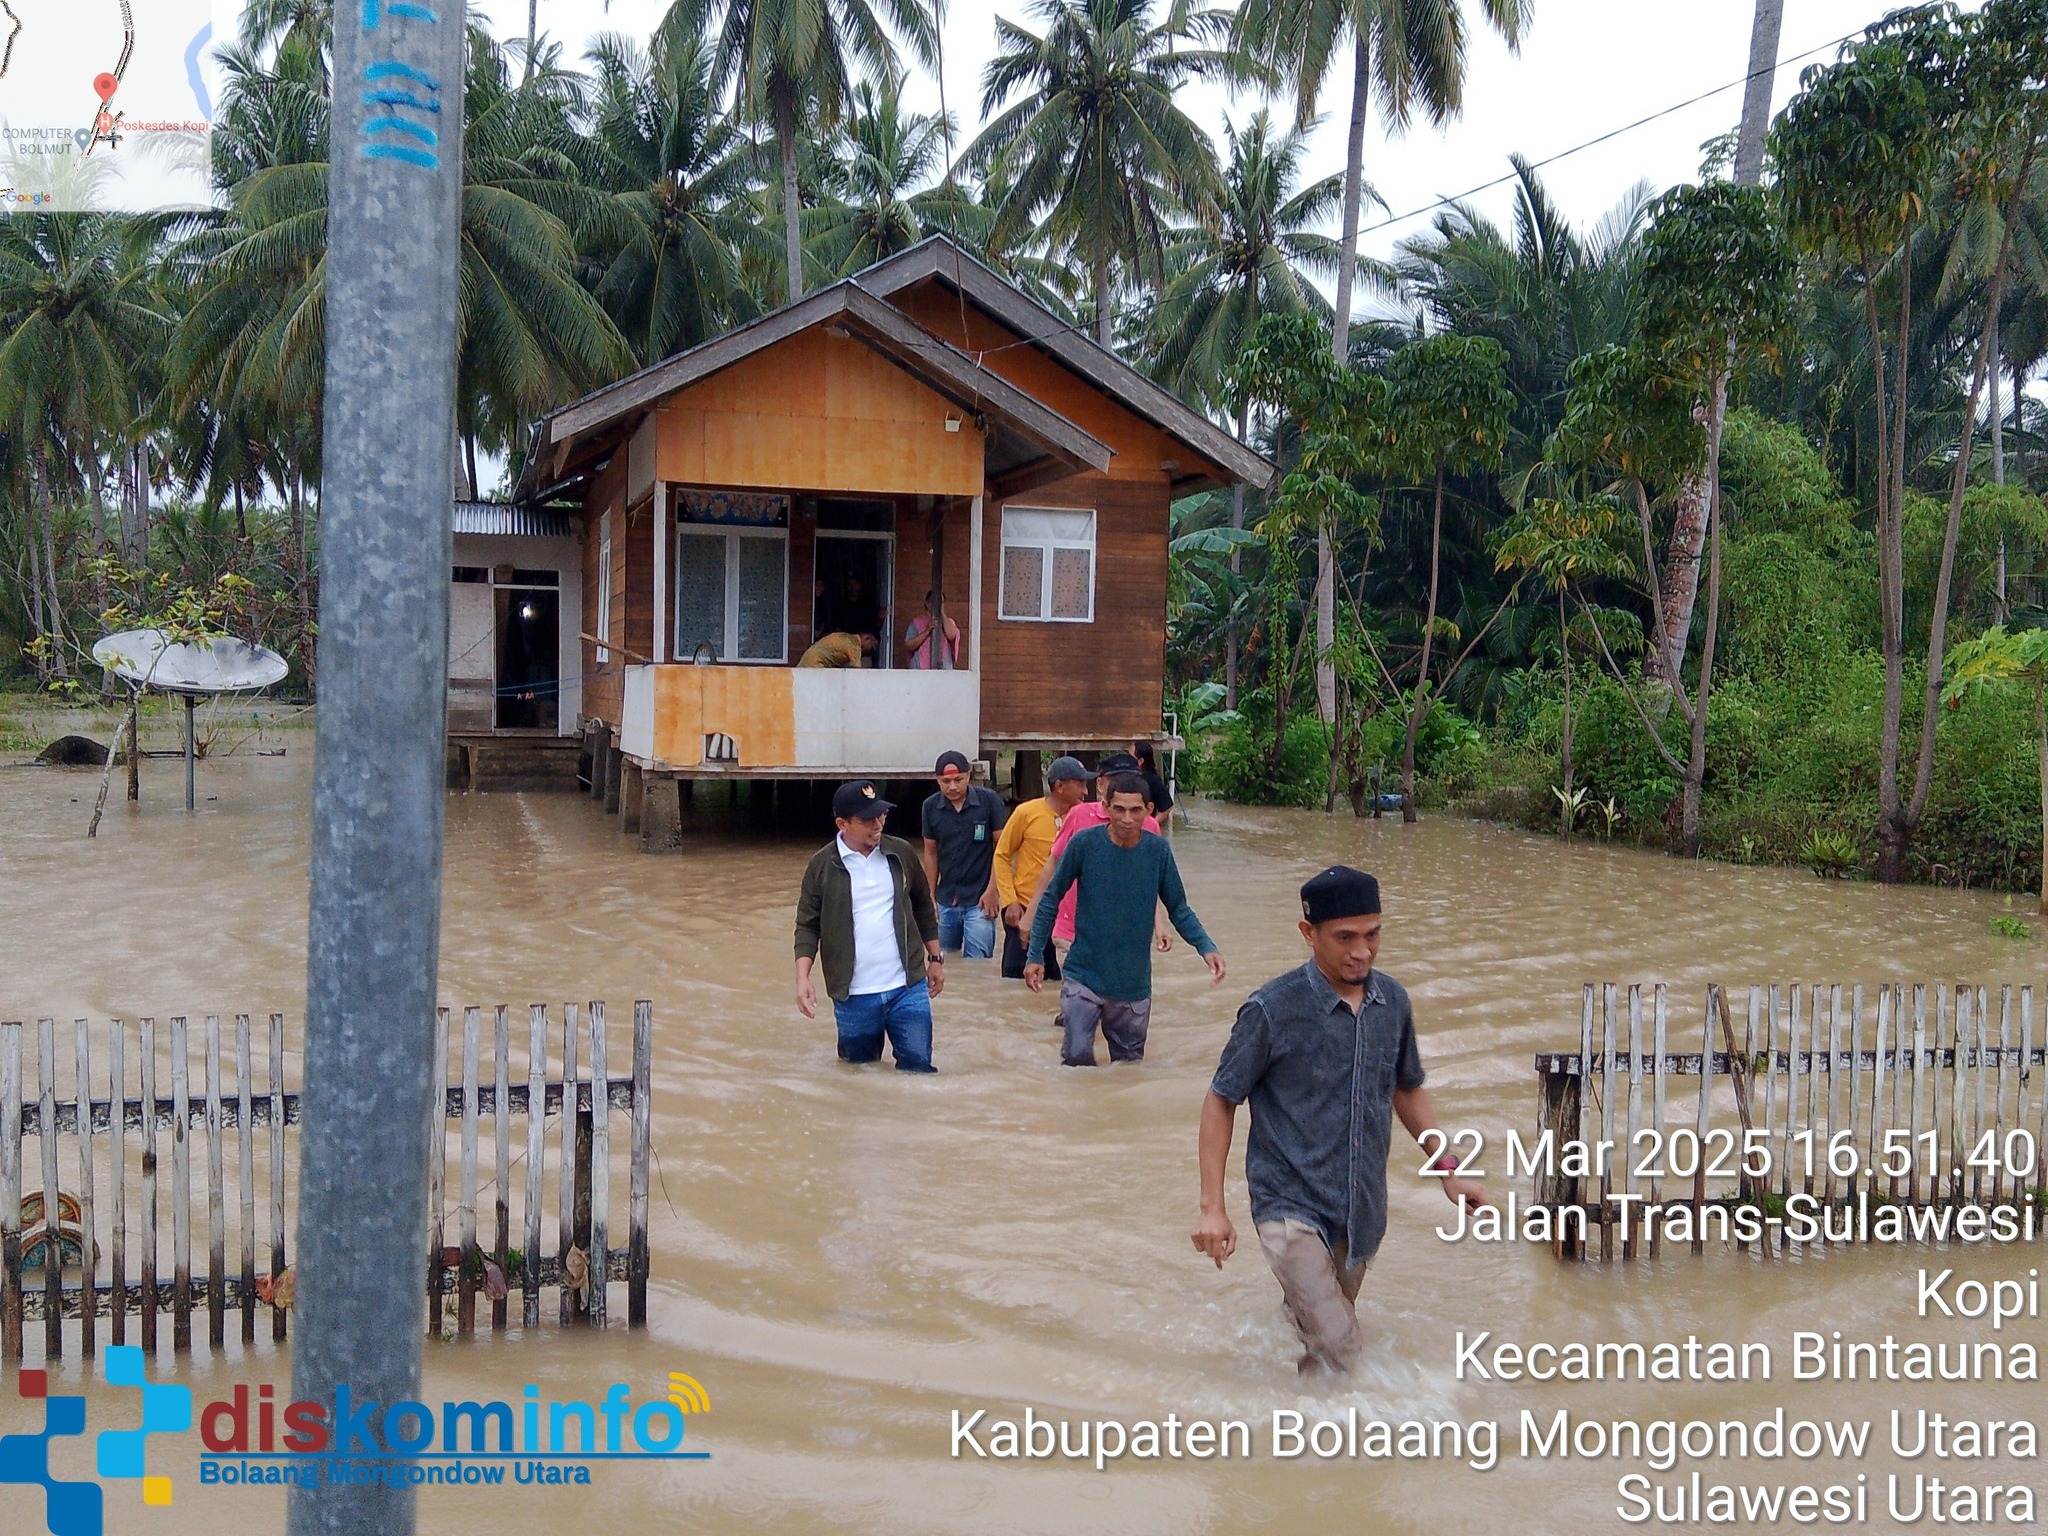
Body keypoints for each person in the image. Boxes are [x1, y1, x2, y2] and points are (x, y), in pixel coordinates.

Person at [1191, 867, 1486, 1375]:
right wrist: (1212, 1208)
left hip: (1360, 1209)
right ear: (1309, 934)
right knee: (1342, 1347)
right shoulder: (1270, 1010)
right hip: (1288, 1204)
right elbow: (1221, 1100)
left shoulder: (1392, 1002)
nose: (1362, 952)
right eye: (1344, 937)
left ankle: (1297, 1423)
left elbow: (1407, 1088)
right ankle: (1356, 1444)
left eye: (1372, 935)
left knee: (1321, 1339)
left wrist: (1450, 1170)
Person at [1024, 772, 1224, 1066]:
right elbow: (1050, 899)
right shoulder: (1083, 845)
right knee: (1077, 1058)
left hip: (1132, 986)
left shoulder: (1158, 852)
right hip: (1083, 977)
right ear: (1105, 808)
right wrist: (1035, 956)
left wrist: (1206, 948)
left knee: (1127, 1070)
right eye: (1119, 809)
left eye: (1135, 810)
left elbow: (1179, 909)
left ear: (1149, 810)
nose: (1127, 818)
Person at [793, 780, 944, 1073]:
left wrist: (935, 958)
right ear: (842, 823)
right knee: (859, 1076)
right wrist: (803, 978)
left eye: (881, 815)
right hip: (854, 996)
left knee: (919, 1068)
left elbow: (923, 906)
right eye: (867, 819)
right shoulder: (822, 865)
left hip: (907, 987)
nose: (877, 824)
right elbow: (807, 926)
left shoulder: (899, 853)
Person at [1040, 753, 1164, 960]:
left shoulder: (1149, 826)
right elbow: (1053, 864)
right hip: (1072, 932)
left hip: (1128, 935)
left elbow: (1151, 884)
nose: (1124, 787)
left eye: (1131, 780)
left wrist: (1159, 925)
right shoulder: (1079, 815)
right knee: (1077, 989)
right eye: (1116, 780)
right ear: (1100, 784)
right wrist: (1032, 916)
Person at [994, 755, 1091, 980]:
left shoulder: (1085, 818)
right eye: (1080, 784)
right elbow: (1002, 855)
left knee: (1062, 981)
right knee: (1016, 979)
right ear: (1059, 786)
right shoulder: (1026, 813)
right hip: (1026, 910)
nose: (1086, 792)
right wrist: (1010, 901)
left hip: (1067, 917)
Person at [921, 750, 1007, 960]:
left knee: (977, 965)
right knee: (941, 962)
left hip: (980, 900)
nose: (952, 786)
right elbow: (930, 854)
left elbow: (1002, 850)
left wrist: (993, 891)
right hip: (945, 900)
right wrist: (929, 898)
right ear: (937, 780)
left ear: (969, 775)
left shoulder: (990, 802)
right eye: (946, 781)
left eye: (958, 780)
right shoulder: (930, 807)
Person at [905, 591, 960, 670]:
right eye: (933, 601)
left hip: (943, 668)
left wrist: (942, 613)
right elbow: (909, 645)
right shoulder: (917, 622)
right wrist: (927, 630)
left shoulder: (948, 622)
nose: (937, 604)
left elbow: (951, 635)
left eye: (941, 602)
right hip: (920, 668)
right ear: (927, 603)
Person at [1131, 739, 1175, 828]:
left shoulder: (1152, 780)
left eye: (1130, 756)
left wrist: (1152, 824)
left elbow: (1167, 807)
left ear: (1140, 761)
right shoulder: (1128, 775)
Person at [799, 630, 876, 668]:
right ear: (867, 638)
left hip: (808, 657)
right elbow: (856, 671)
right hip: (816, 663)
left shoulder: (845, 637)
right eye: (872, 646)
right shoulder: (854, 645)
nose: (870, 650)